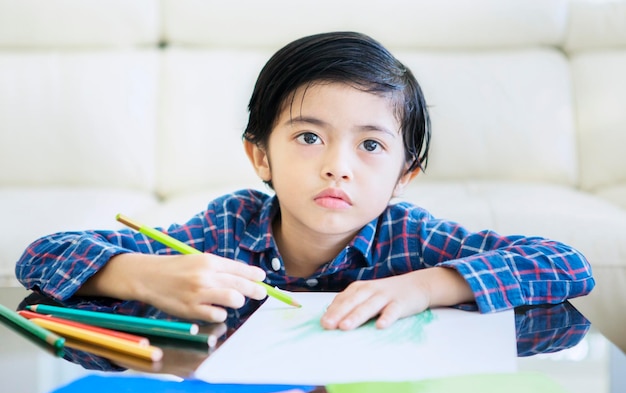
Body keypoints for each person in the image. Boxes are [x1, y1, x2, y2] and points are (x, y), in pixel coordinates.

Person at [15, 31, 595, 331]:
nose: (337, 166)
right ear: (259, 155)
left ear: (403, 176)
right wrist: (145, 275)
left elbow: (567, 264)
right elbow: (43, 256)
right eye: (309, 137)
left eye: (371, 145)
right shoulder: (225, 227)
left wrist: (427, 286)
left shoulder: (412, 239)